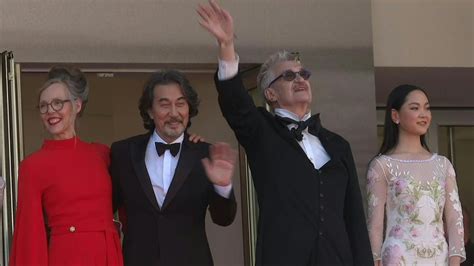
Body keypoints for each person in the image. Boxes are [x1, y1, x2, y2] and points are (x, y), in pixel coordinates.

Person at [197, 1, 372, 265]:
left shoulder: (338, 145)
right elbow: (235, 102)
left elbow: (354, 220)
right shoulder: (262, 132)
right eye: (288, 76)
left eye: (304, 74)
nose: (300, 79)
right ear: (270, 94)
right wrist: (226, 45)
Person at [110, 69, 237, 265]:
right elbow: (105, 207)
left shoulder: (205, 153)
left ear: (189, 109)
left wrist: (222, 186)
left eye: (180, 103)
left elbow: (223, 219)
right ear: (150, 111)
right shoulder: (123, 153)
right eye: (164, 105)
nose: (174, 113)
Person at [10, 67, 123, 265]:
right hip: (67, 256)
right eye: (43, 106)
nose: (50, 111)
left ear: (77, 105)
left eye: (57, 103)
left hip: (108, 255)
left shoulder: (101, 154)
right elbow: (30, 236)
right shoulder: (33, 166)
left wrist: (191, 146)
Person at [366, 84, 466, 265]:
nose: (423, 114)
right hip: (399, 258)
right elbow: (375, 225)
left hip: (439, 258)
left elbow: (454, 219)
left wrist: (455, 260)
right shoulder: (381, 166)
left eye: (426, 108)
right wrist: (376, 260)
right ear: (395, 116)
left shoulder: (443, 165)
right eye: (414, 108)